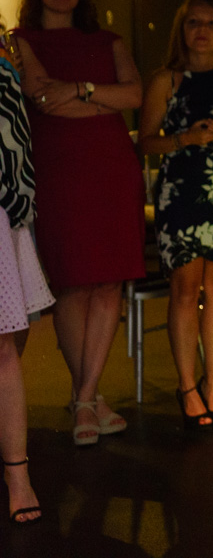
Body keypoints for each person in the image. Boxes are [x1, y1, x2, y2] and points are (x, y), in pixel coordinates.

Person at [12, 0, 144, 447]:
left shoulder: (108, 40)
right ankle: (88, 399)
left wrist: (81, 90)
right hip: (60, 172)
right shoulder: (20, 40)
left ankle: (84, 398)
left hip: (112, 172)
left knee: (108, 283)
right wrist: (98, 98)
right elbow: (41, 96)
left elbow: (133, 96)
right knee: (72, 284)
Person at [137, 0, 213, 429]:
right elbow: (144, 142)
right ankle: (187, 385)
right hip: (180, 191)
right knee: (186, 289)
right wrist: (185, 139)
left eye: (210, 23)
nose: (202, 31)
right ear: (181, 31)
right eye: (193, 23)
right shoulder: (165, 80)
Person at [0, 27, 54, 524]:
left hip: (0, 208)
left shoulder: (3, 59)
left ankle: (18, 474)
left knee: (6, 343)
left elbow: (15, 137)